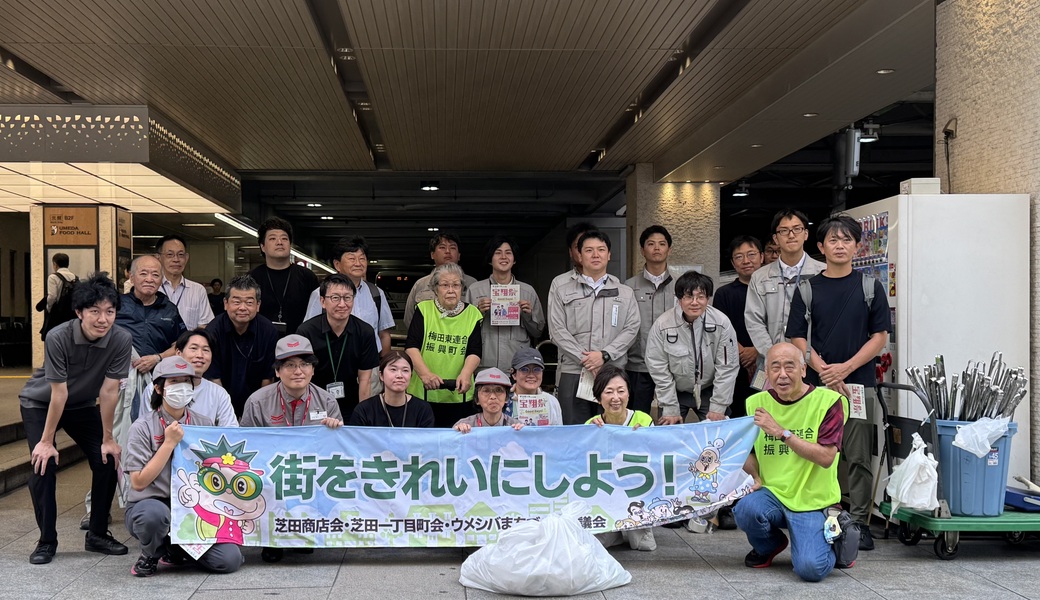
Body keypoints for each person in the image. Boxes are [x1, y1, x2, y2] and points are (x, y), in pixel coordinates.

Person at [786, 214, 889, 551]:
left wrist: (844, 369)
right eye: (833, 240)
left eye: (847, 240)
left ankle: (860, 521)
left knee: (858, 455)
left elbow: (879, 338)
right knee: (817, 451)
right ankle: (815, 513)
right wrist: (824, 370)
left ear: (857, 246)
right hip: (815, 388)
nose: (840, 245)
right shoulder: (807, 289)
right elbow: (798, 338)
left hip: (858, 385)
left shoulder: (870, 287)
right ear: (820, 247)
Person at [19, 273, 132, 564]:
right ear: (79, 312)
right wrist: (46, 441)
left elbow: (109, 391)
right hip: (41, 403)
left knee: (107, 458)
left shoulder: (121, 339)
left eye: (110, 311)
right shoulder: (58, 337)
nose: (103, 319)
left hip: (81, 403)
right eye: (94, 311)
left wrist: (108, 439)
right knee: (44, 464)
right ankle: (46, 540)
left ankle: (97, 534)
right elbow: (58, 393)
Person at [733, 342, 848, 582]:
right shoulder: (755, 403)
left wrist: (782, 433)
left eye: (789, 367)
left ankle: (836, 542)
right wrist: (755, 476)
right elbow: (747, 452)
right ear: (767, 371)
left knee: (810, 570)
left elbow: (827, 458)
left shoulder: (829, 402)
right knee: (745, 509)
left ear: (804, 370)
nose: (782, 374)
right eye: (775, 367)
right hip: (773, 493)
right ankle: (769, 546)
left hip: (812, 500)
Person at [123, 357, 242, 577]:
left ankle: (176, 547)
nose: (182, 387)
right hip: (152, 502)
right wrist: (169, 443)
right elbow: (138, 482)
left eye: (187, 382)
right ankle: (151, 552)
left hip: (194, 507)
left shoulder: (204, 424)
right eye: (174, 382)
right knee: (153, 516)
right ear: (158, 388)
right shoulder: (142, 427)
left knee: (229, 560)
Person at [239, 334, 344, 564]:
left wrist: (336, 431)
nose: (298, 371)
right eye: (289, 365)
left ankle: (303, 531)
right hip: (271, 472)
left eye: (304, 364)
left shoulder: (327, 402)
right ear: (277, 371)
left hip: (311, 473)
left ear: (313, 370)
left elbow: (338, 452)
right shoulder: (258, 401)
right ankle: (271, 538)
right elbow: (246, 448)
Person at [548, 230, 639, 424]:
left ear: (609, 255)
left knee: (612, 431)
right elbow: (556, 330)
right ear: (579, 255)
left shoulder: (625, 292)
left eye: (601, 250)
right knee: (575, 431)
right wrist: (587, 359)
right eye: (589, 250)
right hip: (573, 371)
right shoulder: (562, 290)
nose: (595, 255)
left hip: (612, 372)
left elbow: (631, 329)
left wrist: (604, 355)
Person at [645, 271, 738, 424]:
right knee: (669, 436)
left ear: (708, 298)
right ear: (679, 299)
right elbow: (657, 367)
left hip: (710, 389)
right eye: (688, 297)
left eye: (701, 297)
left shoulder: (722, 323)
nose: (695, 302)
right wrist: (669, 407)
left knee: (716, 438)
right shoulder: (662, 325)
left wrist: (719, 406)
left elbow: (727, 367)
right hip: (674, 390)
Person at [745, 209, 825, 369]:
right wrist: (773, 355)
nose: (791, 235)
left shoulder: (822, 273)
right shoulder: (760, 277)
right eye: (784, 230)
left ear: (806, 234)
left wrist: (813, 359)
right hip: (772, 364)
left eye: (797, 229)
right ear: (776, 238)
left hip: (814, 364)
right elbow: (754, 321)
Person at [405, 263, 483, 427]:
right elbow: (412, 346)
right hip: (423, 392)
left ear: (462, 288)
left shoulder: (473, 313)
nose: (450, 290)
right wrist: (425, 374)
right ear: (435, 288)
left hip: (459, 393)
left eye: (456, 285)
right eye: (445, 285)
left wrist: (466, 373)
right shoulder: (424, 309)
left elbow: (474, 351)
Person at [587, 366, 655, 551]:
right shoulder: (591, 425)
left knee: (644, 545)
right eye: (608, 392)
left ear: (628, 394)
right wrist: (591, 434)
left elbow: (657, 459)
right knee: (600, 543)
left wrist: (644, 438)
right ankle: (614, 533)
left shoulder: (644, 420)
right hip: (604, 495)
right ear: (598, 398)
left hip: (635, 494)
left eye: (621, 391)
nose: (615, 398)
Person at [296, 274, 380, 420]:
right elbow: (301, 376)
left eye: (347, 298)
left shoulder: (365, 332)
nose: (342, 304)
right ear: (323, 301)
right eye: (335, 298)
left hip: (351, 403)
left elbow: (365, 380)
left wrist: (362, 417)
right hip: (314, 404)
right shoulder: (306, 331)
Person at [303, 237, 394, 357]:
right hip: (332, 361)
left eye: (362, 258)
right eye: (352, 258)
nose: (358, 263)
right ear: (337, 264)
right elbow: (309, 332)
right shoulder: (320, 293)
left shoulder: (376, 293)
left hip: (369, 361)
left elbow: (384, 333)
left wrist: (383, 364)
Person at [465, 235, 545, 372]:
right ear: (490, 259)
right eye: (497, 253)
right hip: (484, 364)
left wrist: (528, 315)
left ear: (514, 260)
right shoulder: (475, 289)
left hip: (517, 365)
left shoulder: (527, 291)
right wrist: (478, 313)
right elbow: (464, 330)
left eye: (508, 253)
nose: (503, 257)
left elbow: (538, 332)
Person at [205, 275, 278, 417]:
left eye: (249, 302)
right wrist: (225, 413)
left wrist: (259, 412)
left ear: (258, 305)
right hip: (220, 402)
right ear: (226, 303)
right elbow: (214, 379)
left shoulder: (268, 331)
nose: (242, 308)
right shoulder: (212, 331)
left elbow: (267, 379)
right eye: (236, 302)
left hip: (257, 402)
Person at [624, 225, 676, 414]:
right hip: (637, 364)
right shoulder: (628, 287)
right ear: (642, 250)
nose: (656, 248)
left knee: (669, 419)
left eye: (662, 244)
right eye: (651, 244)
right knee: (637, 418)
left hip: (671, 365)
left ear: (669, 250)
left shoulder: (680, 286)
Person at [712, 236, 764, 416]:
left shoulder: (771, 289)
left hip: (766, 361)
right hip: (735, 364)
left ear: (762, 257)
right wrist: (743, 352)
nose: (746, 261)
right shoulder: (724, 294)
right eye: (739, 257)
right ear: (733, 263)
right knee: (738, 413)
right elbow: (722, 330)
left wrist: (757, 351)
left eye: (751, 254)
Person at [249, 217, 320, 335]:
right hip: (261, 343)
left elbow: (317, 312)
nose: (279, 242)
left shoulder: (307, 277)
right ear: (262, 246)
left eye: (284, 238)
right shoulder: (252, 278)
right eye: (272, 238)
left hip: (300, 343)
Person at [403, 232, 478, 330]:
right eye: (442, 247)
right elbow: (409, 319)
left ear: (459, 255)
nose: (447, 251)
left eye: (452, 248)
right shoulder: (421, 284)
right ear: (432, 255)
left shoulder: (472, 284)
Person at [349, 351, 435, 427]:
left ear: (411, 376)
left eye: (405, 370)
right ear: (381, 375)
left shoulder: (423, 410)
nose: (399, 375)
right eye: (393, 369)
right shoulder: (364, 410)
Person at [174, 329, 238, 427]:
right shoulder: (156, 389)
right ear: (179, 353)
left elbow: (231, 432)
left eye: (206, 350)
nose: (200, 355)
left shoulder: (219, 393)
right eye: (194, 348)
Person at [157, 235, 215, 330]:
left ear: (186, 258)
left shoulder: (198, 290)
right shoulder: (152, 288)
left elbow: (206, 325)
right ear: (158, 258)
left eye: (180, 255)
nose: (176, 260)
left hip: (188, 344)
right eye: (170, 255)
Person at [452, 368, 525, 432]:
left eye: (499, 390)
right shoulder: (465, 425)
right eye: (486, 391)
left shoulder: (515, 426)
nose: (493, 396)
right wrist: (457, 434)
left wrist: (522, 434)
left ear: (506, 398)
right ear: (477, 399)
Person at [504, 347, 562, 426]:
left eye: (537, 369)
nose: (531, 375)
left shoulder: (551, 401)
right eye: (524, 369)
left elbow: (557, 435)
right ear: (514, 374)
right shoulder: (503, 401)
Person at [38, 252, 78, 340]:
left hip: (57, 314)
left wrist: (49, 308)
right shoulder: (75, 278)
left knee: (54, 337)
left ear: (55, 264)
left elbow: (52, 296)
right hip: (71, 314)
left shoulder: (53, 277)